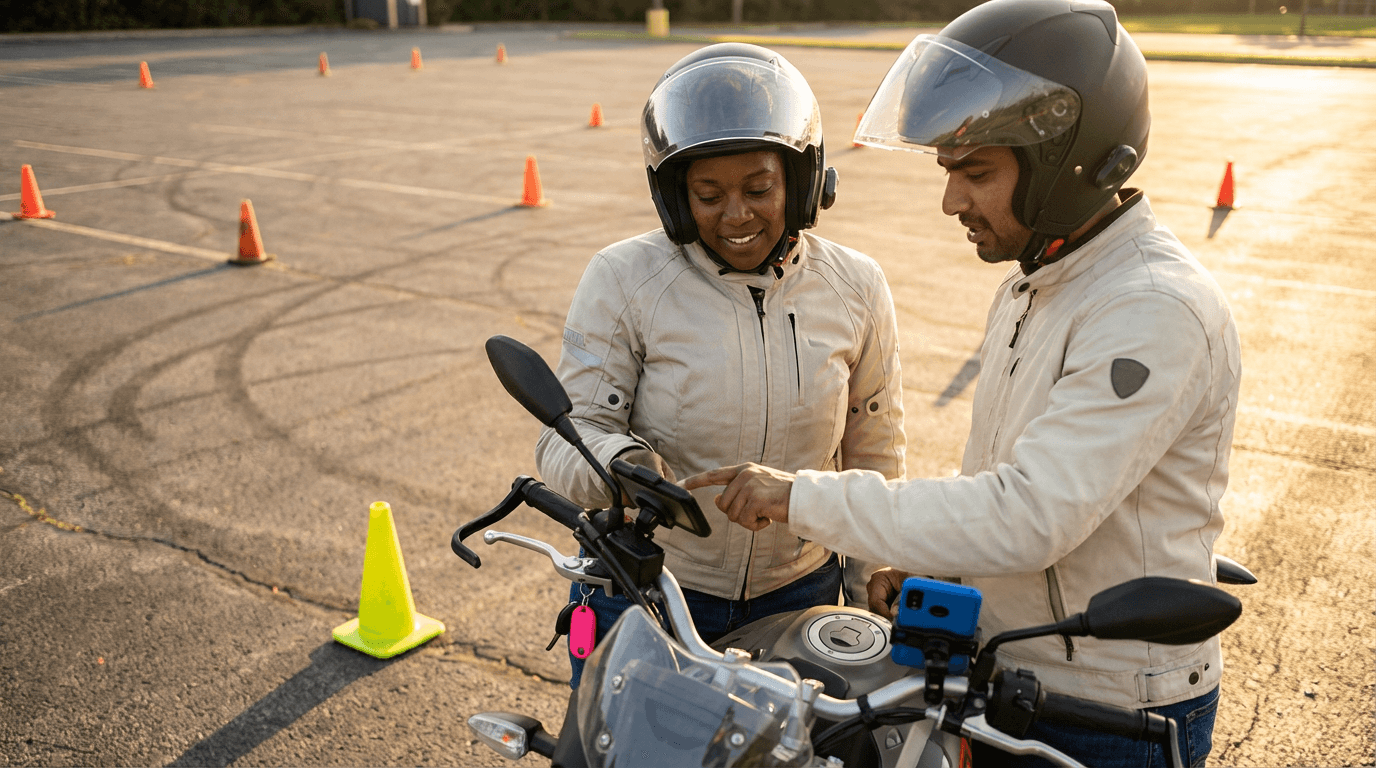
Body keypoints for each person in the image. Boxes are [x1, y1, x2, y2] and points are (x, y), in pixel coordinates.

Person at [684, 2, 1242, 765]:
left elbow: (1031, 515)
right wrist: (939, 567)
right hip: (1016, 673)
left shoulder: (1149, 308)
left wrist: (799, 497)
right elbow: (1002, 480)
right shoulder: (1036, 286)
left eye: (975, 173)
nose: (952, 201)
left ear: (1068, 165)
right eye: (950, 171)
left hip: (1109, 708)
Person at [535, 43, 906, 688]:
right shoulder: (623, 278)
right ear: (675, 199)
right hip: (649, 586)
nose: (736, 215)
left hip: (800, 594)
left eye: (759, 189)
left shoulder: (857, 286)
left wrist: (874, 571)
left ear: (802, 182)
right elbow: (568, 434)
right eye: (708, 195)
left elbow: (873, 449)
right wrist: (622, 469)